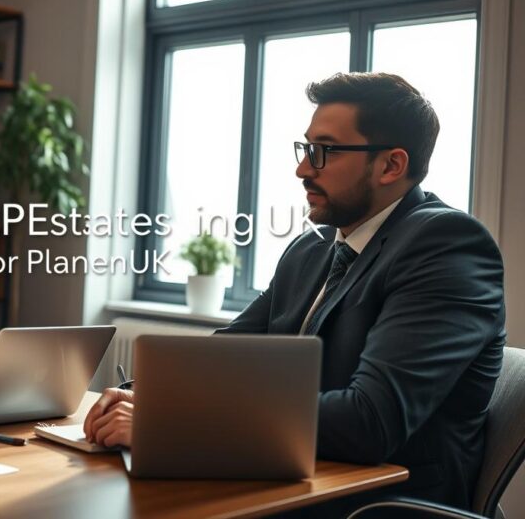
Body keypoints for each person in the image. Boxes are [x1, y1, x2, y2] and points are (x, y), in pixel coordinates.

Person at [84, 72, 505, 512]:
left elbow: (371, 421)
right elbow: (227, 354)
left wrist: (174, 420)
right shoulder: (313, 247)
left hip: (375, 503)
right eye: (306, 149)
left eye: (324, 151)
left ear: (391, 166)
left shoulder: (448, 246)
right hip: (289, 480)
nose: (302, 168)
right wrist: (141, 394)